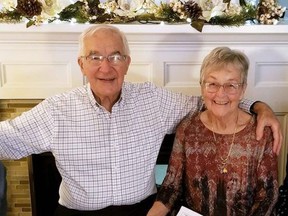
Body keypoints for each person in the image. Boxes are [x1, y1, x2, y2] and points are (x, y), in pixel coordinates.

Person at [0, 25, 282, 216]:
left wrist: (258, 107)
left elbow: (212, 101)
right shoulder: (55, 110)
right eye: (95, 56)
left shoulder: (153, 100)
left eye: (115, 56)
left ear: (127, 62)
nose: (106, 66)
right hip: (78, 213)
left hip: (142, 210)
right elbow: (7, 139)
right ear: (81, 64)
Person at [147, 47, 279, 216]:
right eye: (212, 84)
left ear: (243, 89)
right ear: (202, 87)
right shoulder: (188, 128)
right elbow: (171, 187)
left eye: (231, 85)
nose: (220, 93)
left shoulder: (260, 132)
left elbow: (267, 196)